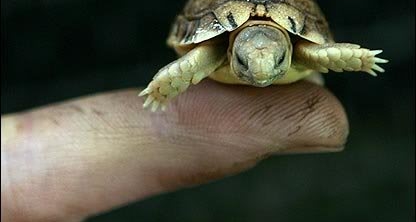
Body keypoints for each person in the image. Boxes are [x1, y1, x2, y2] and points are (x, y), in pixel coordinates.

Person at [1, 80, 348, 222]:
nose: (258, 71)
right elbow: (197, 59)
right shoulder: (215, 51)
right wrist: (165, 88)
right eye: (245, 59)